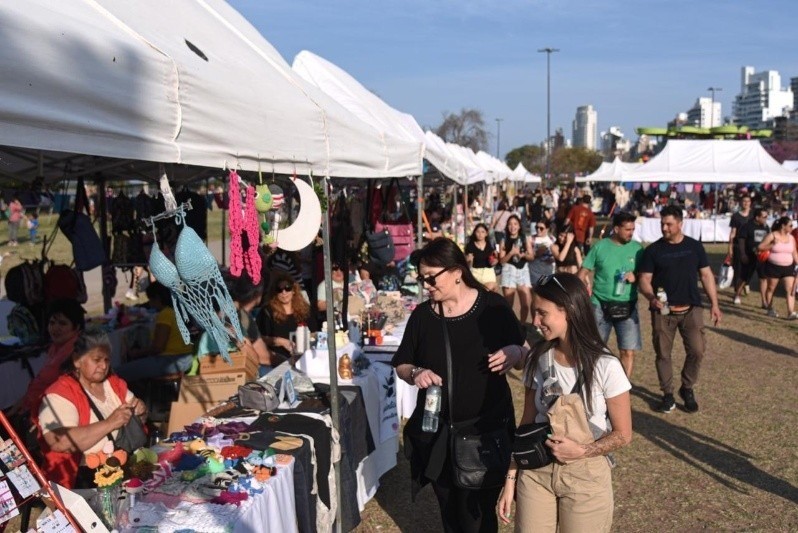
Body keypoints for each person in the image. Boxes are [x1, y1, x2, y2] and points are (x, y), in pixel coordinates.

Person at [392, 237, 526, 532]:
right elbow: (402, 363)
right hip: (438, 434)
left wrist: (516, 352)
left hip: (485, 434)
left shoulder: (493, 307)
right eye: (422, 278)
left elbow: (525, 352)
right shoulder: (423, 316)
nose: (426, 285)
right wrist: (415, 373)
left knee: (478, 515)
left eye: (431, 277)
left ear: (456, 272)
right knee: (450, 512)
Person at [498, 273, 632, 532]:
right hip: (536, 473)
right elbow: (526, 424)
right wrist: (511, 477)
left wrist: (583, 451)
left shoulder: (606, 366)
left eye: (542, 313)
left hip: (586, 477)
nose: (535, 321)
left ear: (569, 310)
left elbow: (623, 435)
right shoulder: (537, 358)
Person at [638, 205, 722, 413]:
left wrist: (715, 304)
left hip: (691, 309)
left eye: (669, 224)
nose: (664, 228)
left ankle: (687, 387)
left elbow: (706, 275)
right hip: (663, 311)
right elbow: (644, 279)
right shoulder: (653, 250)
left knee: (697, 350)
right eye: (662, 224)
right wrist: (651, 297)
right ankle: (667, 395)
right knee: (663, 354)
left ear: (680, 224)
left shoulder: (694, 247)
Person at [35, 334, 147, 488]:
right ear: (77, 360)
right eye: (97, 360)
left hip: (123, 468)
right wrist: (110, 423)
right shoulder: (59, 394)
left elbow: (140, 419)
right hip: (83, 480)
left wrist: (141, 410)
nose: (103, 366)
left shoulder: (113, 383)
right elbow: (60, 442)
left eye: (106, 360)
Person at [578, 212, 643, 378]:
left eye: (633, 229)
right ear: (616, 229)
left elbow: (646, 275)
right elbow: (583, 272)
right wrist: (580, 292)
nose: (631, 233)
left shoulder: (637, 249)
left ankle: (623, 387)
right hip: (599, 305)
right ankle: (592, 383)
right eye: (627, 229)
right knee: (594, 349)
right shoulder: (600, 247)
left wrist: (636, 277)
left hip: (628, 305)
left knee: (627, 351)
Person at [10, 299, 85, 417]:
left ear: (77, 327)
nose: (55, 328)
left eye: (62, 323)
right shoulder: (55, 347)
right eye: (52, 323)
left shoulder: (77, 351)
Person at [115, 282, 194, 382]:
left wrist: (137, 353)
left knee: (119, 372)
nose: (150, 303)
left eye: (151, 300)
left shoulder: (165, 315)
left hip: (173, 360)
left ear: (157, 298)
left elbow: (158, 348)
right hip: (184, 358)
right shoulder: (173, 311)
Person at [258, 272, 317, 370]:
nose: (284, 292)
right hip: (278, 361)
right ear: (275, 292)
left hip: (304, 359)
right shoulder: (267, 312)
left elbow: (314, 333)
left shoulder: (305, 309)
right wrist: (281, 341)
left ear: (294, 290)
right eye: (279, 289)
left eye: (287, 288)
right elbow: (260, 338)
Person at [224, 271, 276, 376]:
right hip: (235, 372)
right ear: (258, 294)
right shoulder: (240, 317)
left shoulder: (233, 312)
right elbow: (260, 357)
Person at [758, 216, 798, 319]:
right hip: (773, 267)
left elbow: (794, 252)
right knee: (771, 288)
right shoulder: (772, 235)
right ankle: (770, 308)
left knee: (790, 289)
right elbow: (760, 247)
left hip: (788, 267)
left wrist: (797, 262)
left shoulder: (791, 238)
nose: (792, 227)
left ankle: (790, 312)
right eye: (790, 225)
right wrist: (771, 245)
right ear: (783, 226)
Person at [499, 215, 534, 323]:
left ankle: (521, 325)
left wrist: (523, 255)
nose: (512, 227)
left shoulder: (524, 238)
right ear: (507, 226)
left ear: (519, 226)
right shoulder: (504, 240)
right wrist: (511, 253)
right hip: (509, 270)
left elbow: (531, 257)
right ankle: (509, 326)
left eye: (515, 224)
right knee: (508, 305)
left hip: (523, 270)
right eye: (510, 224)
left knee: (525, 304)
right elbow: (502, 261)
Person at [734, 208, 770, 308]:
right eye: (764, 217)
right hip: (749, 256)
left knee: (763, 278)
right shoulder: (747, 226)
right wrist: (743, 254)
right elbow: (741, 241)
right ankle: (737, 295)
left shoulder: (766, 227)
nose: (766, 219)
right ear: (757, 217)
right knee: (744, 278)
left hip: (762, 257)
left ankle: (764, 301)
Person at [729, 196, 753, 304]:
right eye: (744, 201)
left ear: (750, 202)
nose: (746, 203)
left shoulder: (753, 215)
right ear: (740, 202)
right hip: (738, 245)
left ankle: (746, 283)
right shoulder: (736, 216)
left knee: (750, 269)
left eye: (748, 201)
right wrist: (730, 247)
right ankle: (737, 293)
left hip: (751, 246)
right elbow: (733, 232)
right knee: (738, 269)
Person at [465, 223, 498, 292]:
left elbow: (495, 259)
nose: (480, 234)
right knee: (482, 293)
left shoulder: (490, 245)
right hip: (476, 273)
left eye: (483, 232)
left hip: (489, 273)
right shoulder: (470, 246)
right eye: (478, 232)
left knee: (492, 289)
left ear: (486, 234)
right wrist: (469, 260)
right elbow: (468, 265)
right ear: (474, 233)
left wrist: (494, 261)